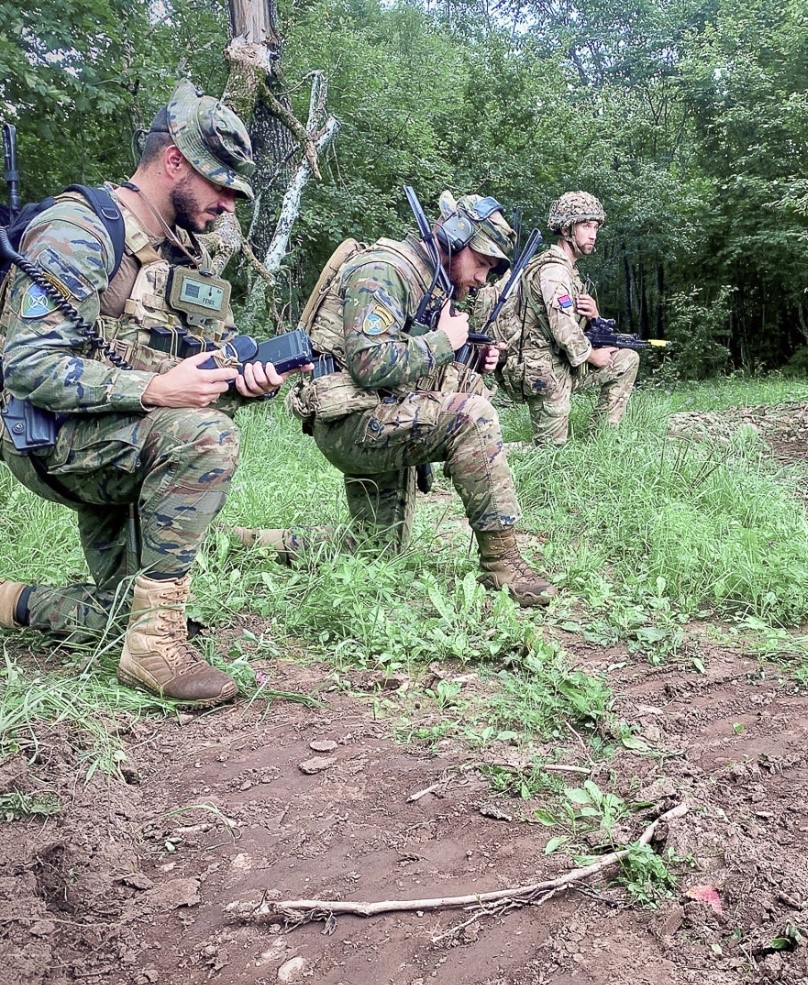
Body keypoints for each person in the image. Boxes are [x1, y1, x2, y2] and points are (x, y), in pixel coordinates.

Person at [0, 80, 303, 706]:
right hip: (49, 438)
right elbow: (25, 365)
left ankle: (12, 601)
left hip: (118, 431)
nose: (227, 204)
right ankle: (154, 650)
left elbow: (186, 366)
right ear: (174, 163)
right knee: (207, 437)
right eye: (219, 186)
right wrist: (156, 390)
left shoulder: (186, 250)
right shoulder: (78, 228)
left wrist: (242, 383)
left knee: (118, 611)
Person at [282, 191, 555, 607]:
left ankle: (248, 542)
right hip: (352, 422)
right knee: (473, 417)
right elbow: (370, 363)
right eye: (481, 263)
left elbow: (411, 362)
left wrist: (470, 355)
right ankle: (503, 563)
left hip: (374, 415)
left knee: (375, 549)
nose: (483, 277)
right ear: (454, 239)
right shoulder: (386, 270)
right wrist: (446, 340)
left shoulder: (428, 282)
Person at [490, 191, 639, 446]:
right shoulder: (554, 271)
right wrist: (594, 356)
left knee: (626, 360)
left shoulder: (569, 270)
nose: (593, 234)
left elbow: (571, 323)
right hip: (544, 372)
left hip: (563, 364)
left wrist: (594, 315)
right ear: (567, 229)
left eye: (595, 227)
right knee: (550, 452)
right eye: (585, 226)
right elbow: (564, 329)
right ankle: (486, 451)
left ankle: (601, 439)